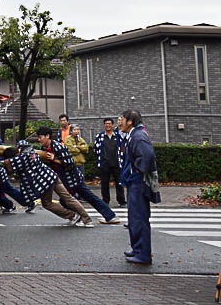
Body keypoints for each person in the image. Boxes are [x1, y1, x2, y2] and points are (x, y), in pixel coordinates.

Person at [36, 126, 118, 225]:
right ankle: (82, 216)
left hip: (73, 178)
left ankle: (106, 216)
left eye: (40, 137)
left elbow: (70, 164)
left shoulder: (58, 147)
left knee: (86, 197)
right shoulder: (44, 149)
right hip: (63, 179)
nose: (39, 140)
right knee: (68, 200)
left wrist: (55, 159)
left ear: (47, 136)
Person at [0, 140, 92, 227]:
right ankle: (86, 219)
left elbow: (6, 163)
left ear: (15, 155)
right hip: (52, 176)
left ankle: (72, 216)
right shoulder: (30, 151)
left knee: (47, 204)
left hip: (45, 182)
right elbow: (22, 146)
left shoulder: (23, 157)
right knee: (68, 198)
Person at [119, 109, 159, 265]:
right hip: (134, 181)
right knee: (134, 217)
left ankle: (143, 254)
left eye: (122, 119)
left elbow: (147, 155)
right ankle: (137, 249)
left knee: (139, 217)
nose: (119, 122)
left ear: (130, 122)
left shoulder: (138, 136)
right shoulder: (134, 135)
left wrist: (137, 170)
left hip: (138, 182)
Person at [94, 118, 126, 207]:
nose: (108, 125)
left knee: (119, 183)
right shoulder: (100, 136)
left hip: (116, 164)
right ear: (104, 125)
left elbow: (123, 148)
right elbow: (96, 149)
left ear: (112, 125)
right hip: (104, 164)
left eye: (109, 123)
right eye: (106, 123)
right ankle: (105, 201)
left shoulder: (118, 136)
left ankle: (122, 201)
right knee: (104, 183)